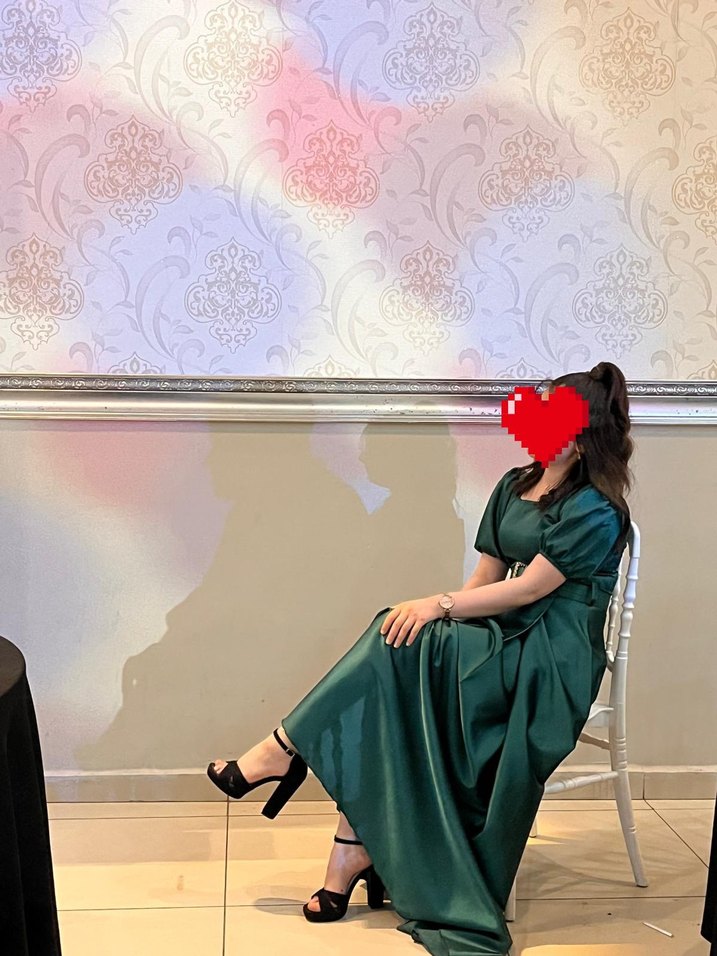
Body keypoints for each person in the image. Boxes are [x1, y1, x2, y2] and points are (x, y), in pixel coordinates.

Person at [207, 361, 634, 955]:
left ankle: (287, 757)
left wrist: (439, 607)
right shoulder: (514, 484)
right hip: (503, 633)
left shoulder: (595, 508)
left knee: (402, 637)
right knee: (401, 648)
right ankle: (344, 837)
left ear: (584, 435)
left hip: (551, 655)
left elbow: (530, 590)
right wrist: (441, 618)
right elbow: (486, 577)